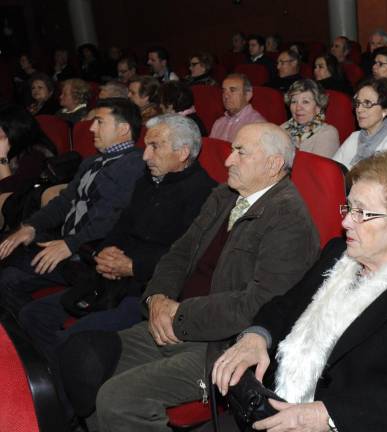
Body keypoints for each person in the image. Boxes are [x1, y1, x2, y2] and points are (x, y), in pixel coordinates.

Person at [209, 150, 387, 432]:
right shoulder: (338, 253)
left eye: (362, 213)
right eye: (349, 209)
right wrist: (257, 337)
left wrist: (327, 414)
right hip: (275, 402)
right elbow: (287, 305)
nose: (346, 222)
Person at [91, 123, 320, 430]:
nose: (228, 161)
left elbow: (261, 304)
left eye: (241, 152)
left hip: (222, 344)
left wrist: (179, 313)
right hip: (173, 320)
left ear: (273, 164)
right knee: (89, 363)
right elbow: (178, 253)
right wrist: (158, 299)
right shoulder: (224, 196)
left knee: (118, 399)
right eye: (231, 151)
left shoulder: (290, 220)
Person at [18, 113, 216, 372]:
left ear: (183, 153)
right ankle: (52, 382)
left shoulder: (207, 195)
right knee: (33, 315)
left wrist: (133, 266)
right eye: (147, 146)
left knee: (74, 340)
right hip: (110, 278)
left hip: (147, 291)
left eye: (155, 147)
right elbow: (122, 223)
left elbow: (189, 257)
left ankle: (62, 393)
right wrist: (105, 251)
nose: (145, 156)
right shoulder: (150, 180)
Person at [0, 98, 145, 317]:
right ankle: (29, 338)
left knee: (10, 271)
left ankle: (37, 335)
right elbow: (64, 202)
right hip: (70, 248)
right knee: (9, 270)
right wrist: (30, 227)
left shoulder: (132, 164)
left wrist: (70, 244)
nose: (91, 127)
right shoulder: (93, 162)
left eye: (99, 122)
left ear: (123, 129)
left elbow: (112, 219)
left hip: (92, 256)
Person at [333, 78, 387, 168]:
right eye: (357, 103)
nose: (359, 109)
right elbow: (333, 170)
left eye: (367, 103)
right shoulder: (354, 137)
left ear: (385, 110)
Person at [0, 104, 57, 226]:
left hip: (23, 216)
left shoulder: (36, 154)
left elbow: (11, 196)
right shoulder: (13, 149)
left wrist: (2, 158)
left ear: (13, 129)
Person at [280, 79, 340, 158]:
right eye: (294, 102)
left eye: (305, 102)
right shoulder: (283, 128)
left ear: (318, 106)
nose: (298, 108)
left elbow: (317, 169)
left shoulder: (327, 133)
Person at [209, 73, 266, 142]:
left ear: (248, 95)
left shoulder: (257, 125)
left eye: (232, 90)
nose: (226, 96)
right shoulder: (218, 123)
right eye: (224, 91)